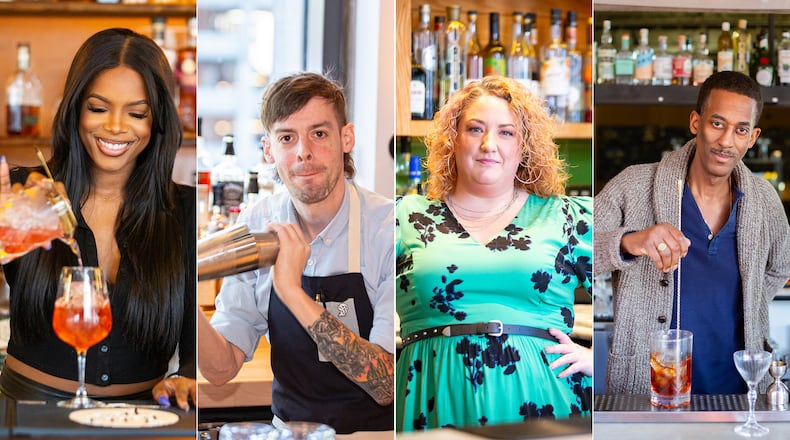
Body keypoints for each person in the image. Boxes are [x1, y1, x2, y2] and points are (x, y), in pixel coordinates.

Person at [0, 28, 196, 410]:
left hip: (145, 418)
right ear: (75, 110)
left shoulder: (183, 210)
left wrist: (187, 375)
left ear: (156, 122)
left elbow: (195, 344)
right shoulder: (27, 194)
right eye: (98, 108)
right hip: (28, 411)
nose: (116, 127)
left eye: (136, 113)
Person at [198, 72, 395, 434]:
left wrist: (290, 289)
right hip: (287, 433)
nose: (303, 151)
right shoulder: (257, 222)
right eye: (287, 137)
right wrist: (183, 299)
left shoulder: (387, 227)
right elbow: (221, 369)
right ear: (268, 149)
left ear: (346, 138)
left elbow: (385, 383)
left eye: (319, 134)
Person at [396, 76, 592, 432]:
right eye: (474, 129)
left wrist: (601, 360)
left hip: (543, 402)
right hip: (432, 396)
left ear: (524, 145)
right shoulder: (404, 215)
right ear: (452, 140)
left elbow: (648, 294)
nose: (489, 144)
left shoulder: (568, 216)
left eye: (506, 132)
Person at [594, 71, 790, 395]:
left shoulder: (764, 199)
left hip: (741, 392)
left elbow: (779, 266)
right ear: (696, 122)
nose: (727, 141)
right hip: (649, 389)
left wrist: (751, 301)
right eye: (717, 123)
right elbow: (571, 249)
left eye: (740, 130)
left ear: (752, 137)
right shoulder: (634, 185)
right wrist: (630, 241)